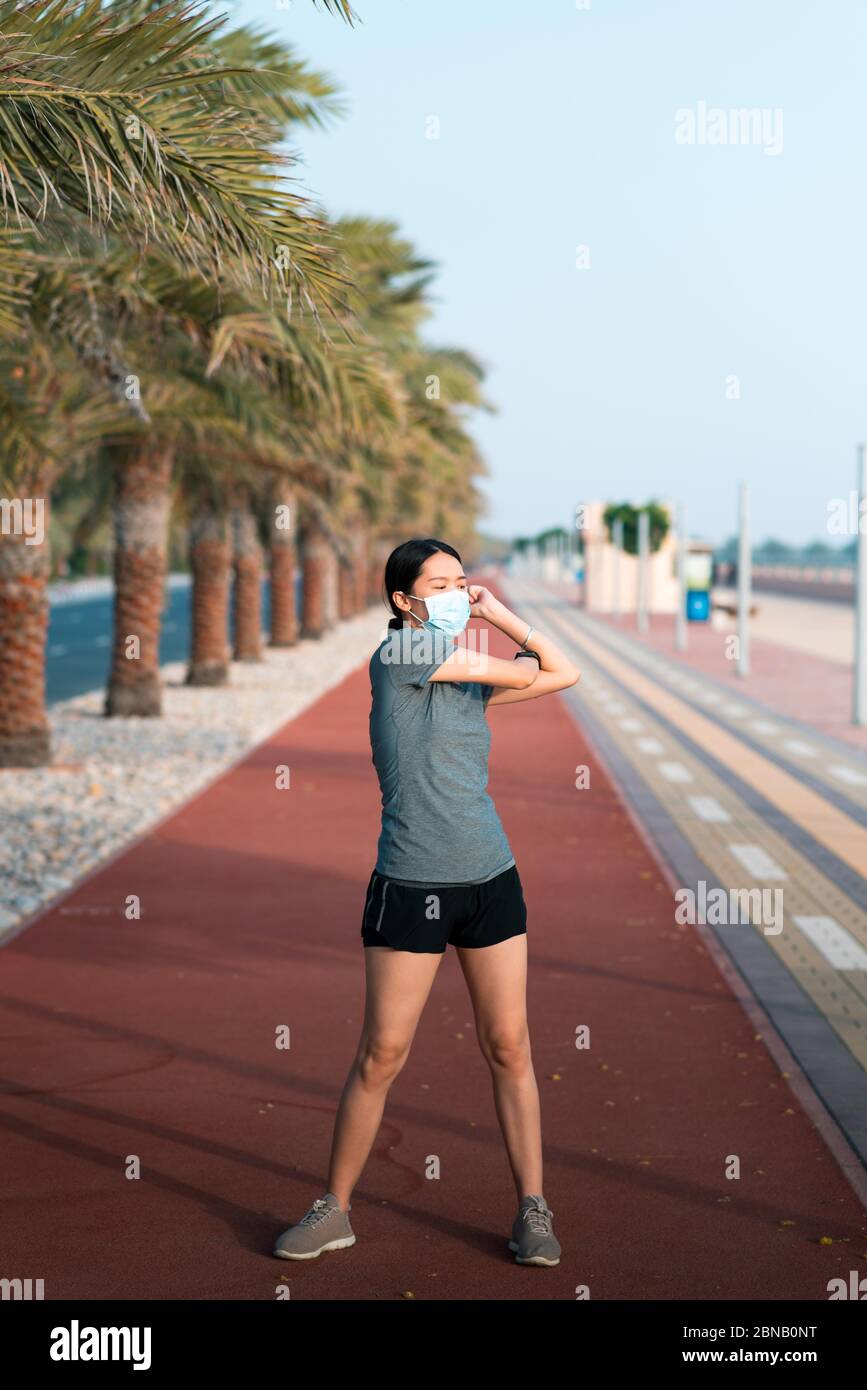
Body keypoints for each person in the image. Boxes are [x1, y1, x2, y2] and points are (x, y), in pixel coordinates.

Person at [273, 537, 580, 1267]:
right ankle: (334, 1209)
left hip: (491, 880)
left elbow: (566, 672)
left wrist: (498, 610)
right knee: (382, 1052)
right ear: (402, 601)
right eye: (439, 585)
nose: (456, 593)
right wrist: (499, 641)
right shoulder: (400, 657)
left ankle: (532, 1210)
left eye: (461, 581)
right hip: (412, 886)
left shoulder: (468, 673)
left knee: (510, 1046)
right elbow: (523, 670)